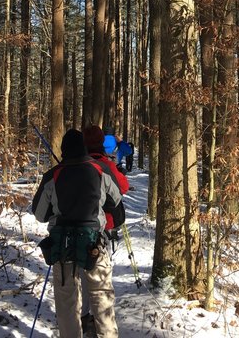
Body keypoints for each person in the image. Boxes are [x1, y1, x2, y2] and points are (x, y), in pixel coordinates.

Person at [32, 129, 120, 338]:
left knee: (67, 302)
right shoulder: (100, 170)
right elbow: (115, 201)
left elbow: (40, 213)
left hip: (62, 246)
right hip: (94, 244)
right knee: (102, 297)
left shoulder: (53, 175)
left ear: (63, 151)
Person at [80, 125, 130, 330]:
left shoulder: (74, 164)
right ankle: (101, 321)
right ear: (102, 141)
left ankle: (84, 315)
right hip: (104, 225)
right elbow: (123, 188)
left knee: (83, 271)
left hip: (78, 225)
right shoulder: (105, 164)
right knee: (100, 273)